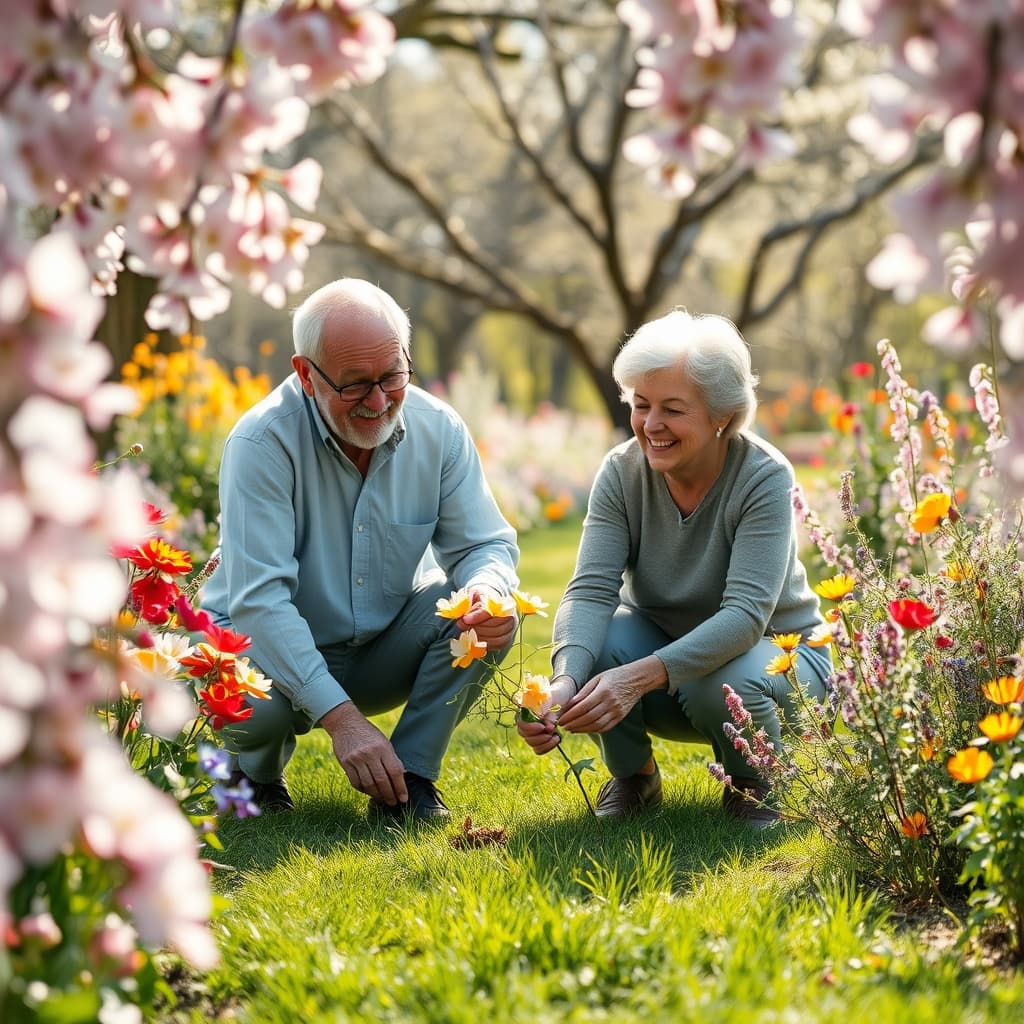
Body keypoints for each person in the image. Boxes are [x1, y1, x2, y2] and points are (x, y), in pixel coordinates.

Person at [202, 278, 519, 821]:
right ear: (306, 374)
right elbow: (260, 605)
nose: (379, 401)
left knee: (486, 616)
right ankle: (253, 776)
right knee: (254, 709)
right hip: (263, 656)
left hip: (380, 648)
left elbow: (485, 543)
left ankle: (410, 780)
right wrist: (342, 720)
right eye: (355, 384)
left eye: (393, 375)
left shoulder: (438, 428)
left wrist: (487, 589)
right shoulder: (261, 443)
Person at [516, 309, 830, 827]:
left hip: (779, 659)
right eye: (641, 405)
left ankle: (757, 780)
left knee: (718, 683)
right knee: (597, 646)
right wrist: (565, 684)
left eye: (673, 409)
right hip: (670, 655)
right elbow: (591, 590)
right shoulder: (621, 471)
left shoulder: (763, 476)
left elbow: (747, 617)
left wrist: (633, 680)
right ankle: (634, 777)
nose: (651, 425)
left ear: (721, 415)